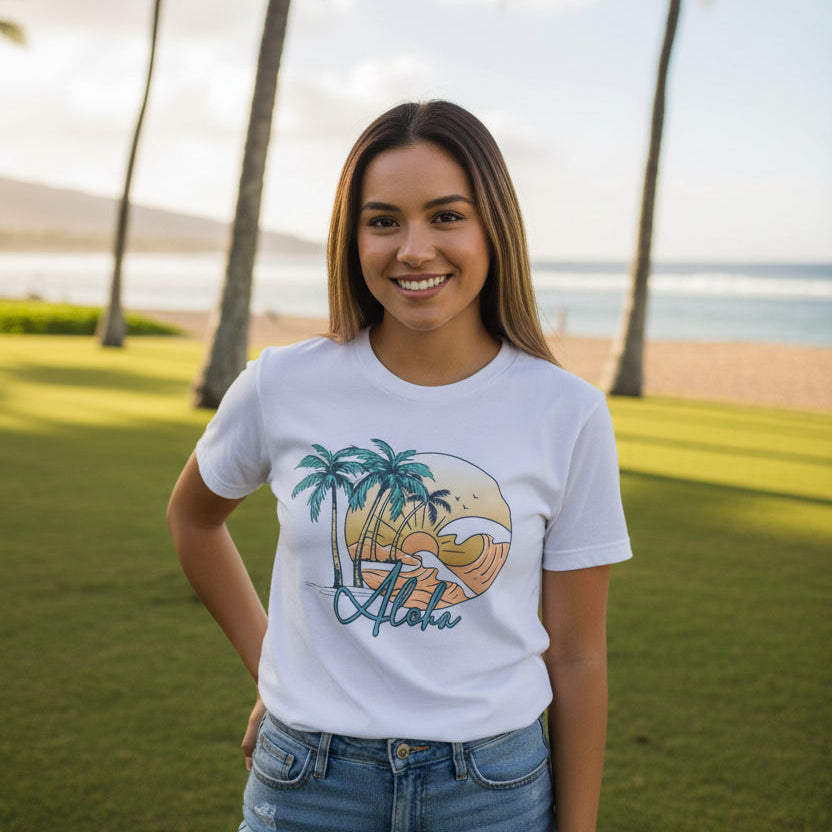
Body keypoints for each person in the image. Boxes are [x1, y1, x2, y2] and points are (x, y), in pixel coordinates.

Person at [167, 100, 632, 832]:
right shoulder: (282, 383)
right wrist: (273, 669)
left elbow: (577, 658)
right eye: (383, 221)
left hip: (491, 794)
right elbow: (194, 518)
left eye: (446, 216)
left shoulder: (566, 412)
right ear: (351, 238)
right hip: (309, 785)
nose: (414, 250)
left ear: (494, 228)